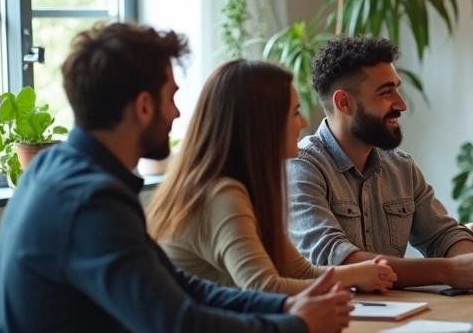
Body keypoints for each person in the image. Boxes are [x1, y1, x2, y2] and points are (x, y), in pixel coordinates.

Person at [0, 22, 350, 333]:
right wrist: (298, 328)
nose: (179, 112)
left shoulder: (60, 170)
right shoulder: (89, 201)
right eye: (172, 96)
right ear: (143, 106)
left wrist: (282, 310)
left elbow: (179, 285)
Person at [148, 59, 396, 295]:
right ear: (263, 124)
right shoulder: (221, 194)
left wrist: (360, 273)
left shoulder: (241, 189)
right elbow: (265, 289)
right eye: (295, 112)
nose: (304, 122)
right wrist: (353, 277)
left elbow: (300, 271)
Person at [288, 36, 473, 289]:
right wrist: (447, 271)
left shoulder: (402, 168)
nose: (401, 104)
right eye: (386, 92)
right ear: (344, 103)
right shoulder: (300, 166)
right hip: (330, 318)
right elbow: (337, 260)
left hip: (398, 316)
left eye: (397, 89)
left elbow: (443, 235)